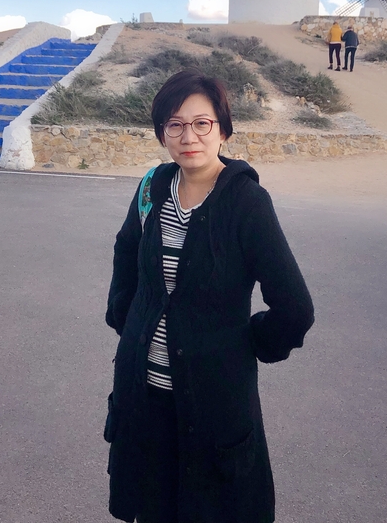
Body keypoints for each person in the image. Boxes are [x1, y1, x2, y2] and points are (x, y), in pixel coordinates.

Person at [105, 69, 315, 523]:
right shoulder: (152, 187)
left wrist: (247, 343)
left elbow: (295, 307)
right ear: (163, 132)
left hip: (213, 403)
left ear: (223, 128)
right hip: (145, 396)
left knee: (212, 509)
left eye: (202, 123)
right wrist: (129, 320)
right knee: (152, 507)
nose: (189, 136)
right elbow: (126, 253)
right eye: (175, 125)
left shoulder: (245, 202)